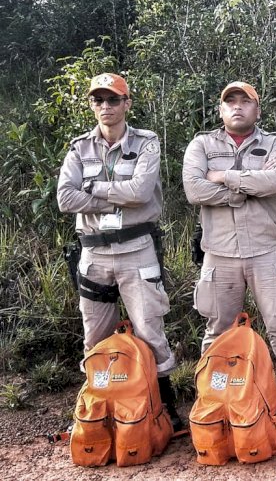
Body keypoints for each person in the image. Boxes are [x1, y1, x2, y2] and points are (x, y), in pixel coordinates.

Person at [182, 81, 276, 429]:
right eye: (230, 102)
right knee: (217, 328)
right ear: (220, 110)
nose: (237, 107)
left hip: (266, 250)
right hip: (219, 254)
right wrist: (238, 194)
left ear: (257, 109)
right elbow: (194, 188)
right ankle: (211, 397)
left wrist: (225, 176)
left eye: (245, 101)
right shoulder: (202, 144)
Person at [57, 73, 182, 430]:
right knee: (95, 334)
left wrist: (92, 188)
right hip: (93, 253)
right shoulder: (78, 147)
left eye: (113, 99)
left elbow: (142, 191)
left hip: (136, 249)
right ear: (92, 105)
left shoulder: (146, 142)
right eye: (99, 100)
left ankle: (165, 408)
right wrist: (115, 194)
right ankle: (96, 408)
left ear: (126, 103)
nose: (105, 107)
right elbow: (65, 198)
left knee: (149, 329)